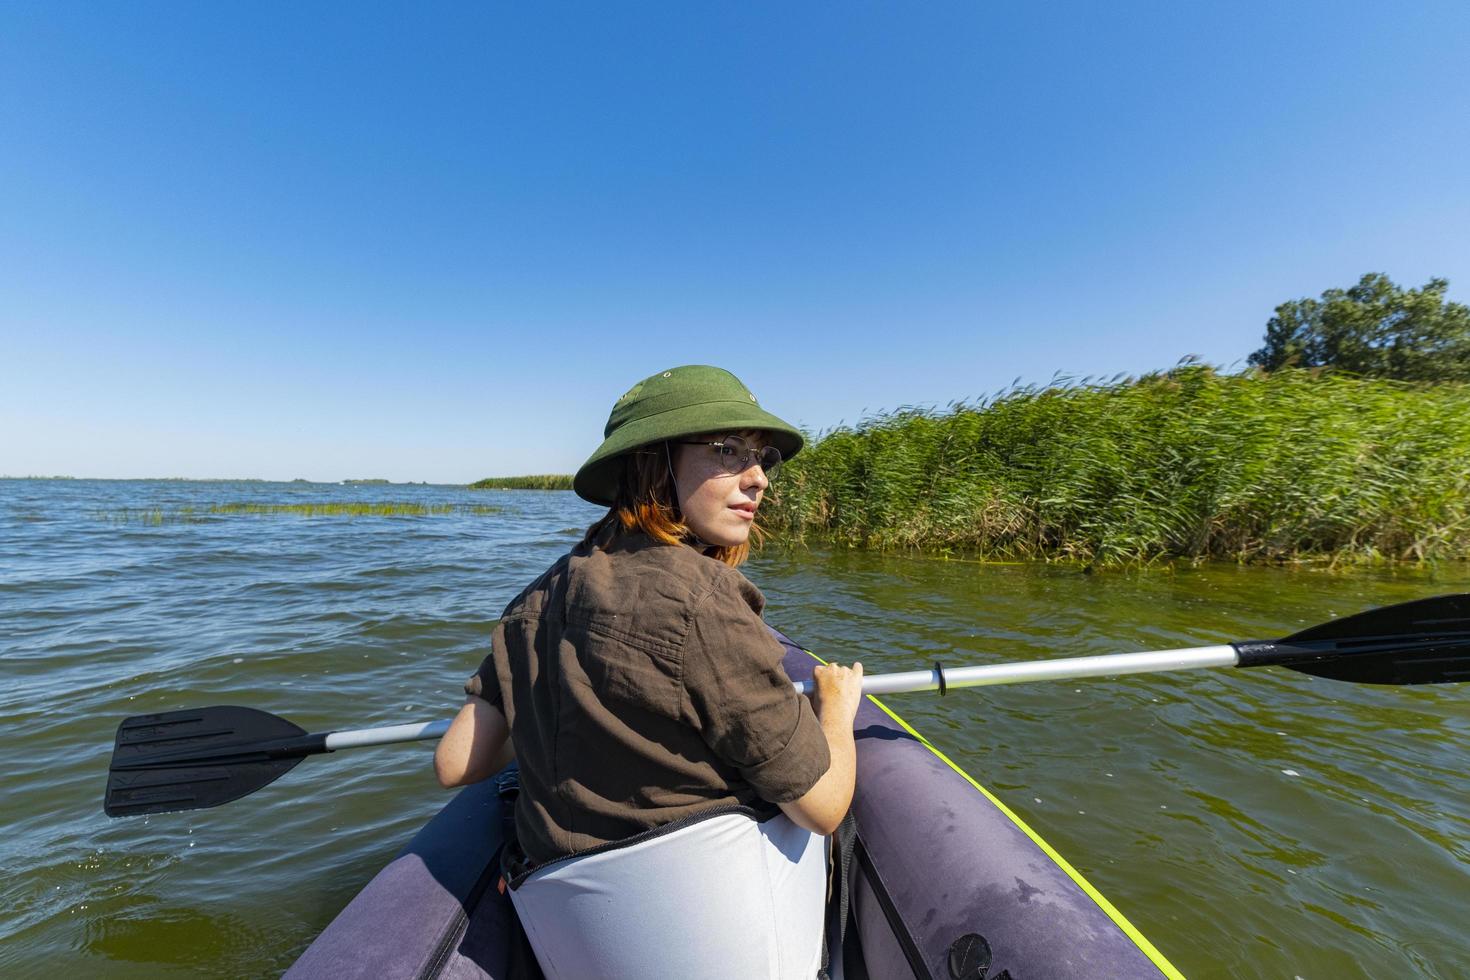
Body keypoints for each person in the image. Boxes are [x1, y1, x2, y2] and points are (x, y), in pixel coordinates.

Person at [433, 365, 864, 979]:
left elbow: (457, 763)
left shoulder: (531, 602)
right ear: (653, 463)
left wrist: (558, 707)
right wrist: (837, 713)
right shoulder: (705, 599)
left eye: (761, 455)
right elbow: (822, 809)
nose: (760, 477)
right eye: (727, 450)